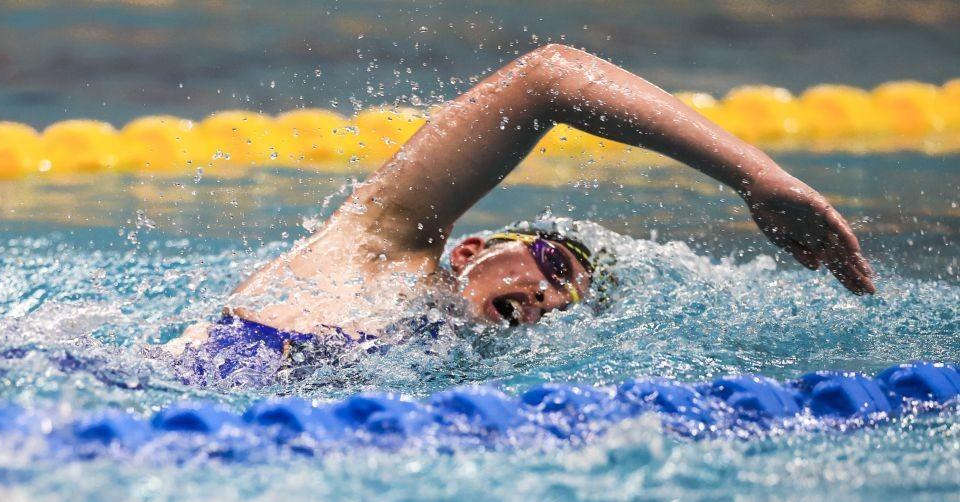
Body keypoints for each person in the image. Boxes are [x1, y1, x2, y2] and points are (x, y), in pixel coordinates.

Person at [170, 44, 875, 384]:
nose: (550, 297)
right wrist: (756, 177)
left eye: (567, 301)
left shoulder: (454, 377)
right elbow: (548, 77)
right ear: (471, 249)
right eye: (552, 266)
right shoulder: (380, 249)